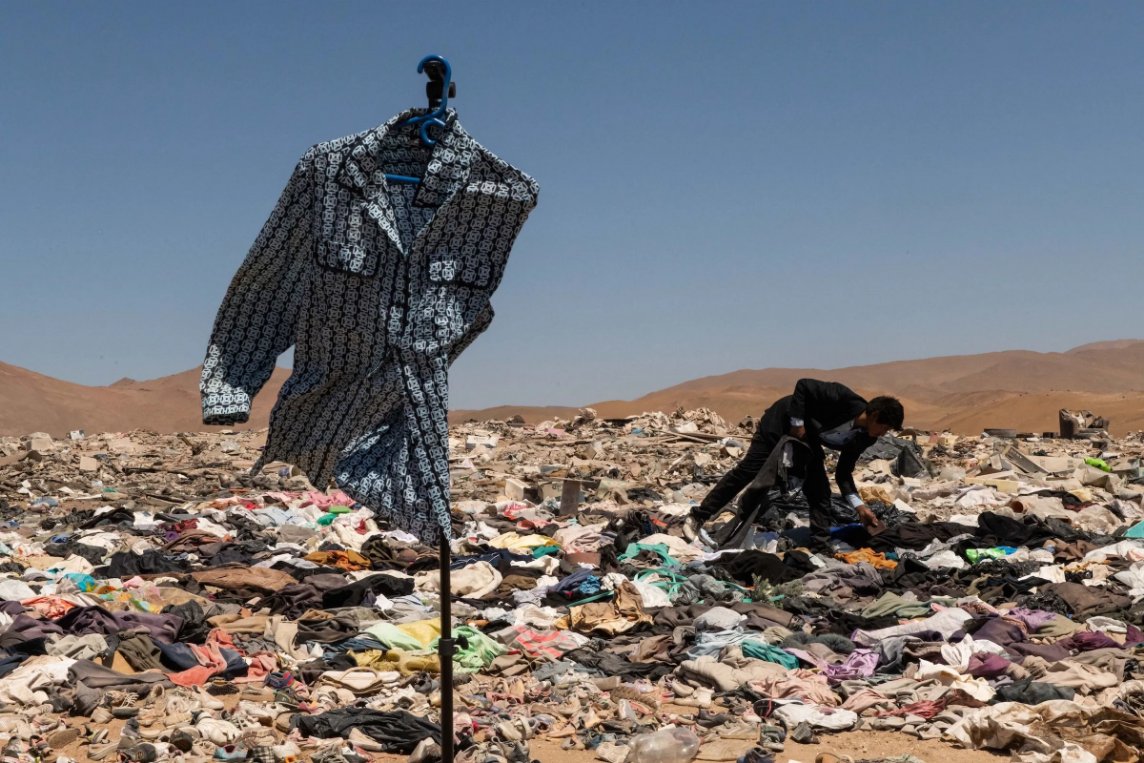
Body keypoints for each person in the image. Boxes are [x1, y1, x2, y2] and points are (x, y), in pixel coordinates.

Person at [683, 378, 904, 548]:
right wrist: (797, 424)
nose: (884, 434)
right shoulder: (843, 398)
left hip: (808, 439)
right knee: (749, 471)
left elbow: (843, 473)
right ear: (873, 415)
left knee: (819, 490)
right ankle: (698, 517)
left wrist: (860, 507)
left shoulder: (865, 437)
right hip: (782, 421)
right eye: (885, 427)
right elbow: (804, 385)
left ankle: (821, 545)